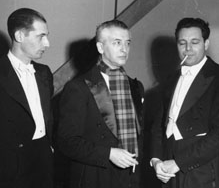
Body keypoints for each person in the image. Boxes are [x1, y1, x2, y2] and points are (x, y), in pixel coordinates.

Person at [57, 19, 144, 188]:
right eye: (116, 43)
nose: (124, 49)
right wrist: (108, 154)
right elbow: (66, 141)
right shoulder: (78, 87)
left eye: (127, 43)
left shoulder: (135, 86)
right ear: (100, 47)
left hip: (131, 177)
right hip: (95, 176)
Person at [150, 17, 219, 188]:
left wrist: (178, 163)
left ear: (206, 43)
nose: (188, 48)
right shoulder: (171, 79)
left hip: (201, 170)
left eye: (194, 42)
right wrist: (156, 159)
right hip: (167, 169)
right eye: (182, 43)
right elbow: (159, 125)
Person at [0, 8, 54, 188]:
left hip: (44, 162)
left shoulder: (44, 72)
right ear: (20, 36)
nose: (47, 43)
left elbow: (48, 115)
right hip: (10, 168)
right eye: (41, 36)